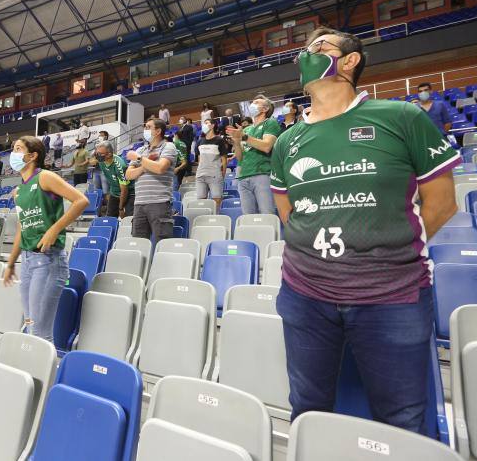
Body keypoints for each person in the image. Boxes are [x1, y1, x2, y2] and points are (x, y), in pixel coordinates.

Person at [269, 26, 460, 433]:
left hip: (392, 295)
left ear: (351, 60)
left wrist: (385, 247)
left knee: (403, 418)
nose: (307, 54)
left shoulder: (401, 117)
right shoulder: (288, 141)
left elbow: (442, 204)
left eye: (319, 47)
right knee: (308, 408)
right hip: (305, 296)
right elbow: (289, 212)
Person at [2, 136, 88, 342]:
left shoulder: (45, 177)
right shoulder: (19, 191)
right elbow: (22, 228)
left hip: (49, 262)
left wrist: (54, 230)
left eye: (18, 149)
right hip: (28, 261)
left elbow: (81, 200)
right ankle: (35, 370)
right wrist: (11, 263)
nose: (13, 154)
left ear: (32, 156)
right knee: (31, 323)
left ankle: (44, 372)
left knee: (40, 331)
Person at [227, 94, 281, 214]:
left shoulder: (270, 123)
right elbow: (240, 157)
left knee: (267, 214)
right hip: (243, 176)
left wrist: (244, 137)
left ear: (265, 109)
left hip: (262, 173)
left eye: (256, 102)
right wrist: (236, 142)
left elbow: (266, 146)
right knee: (248, 217)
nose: (252, 104)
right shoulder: (246, 129)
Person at [125, 118, 177, 243]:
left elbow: (160, 168)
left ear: (158, 131)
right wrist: (145, 164)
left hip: (159, 202)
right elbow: (128, 175)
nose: (145, 130)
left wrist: (138, 159)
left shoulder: (168, 146)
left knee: (162, 242)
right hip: (139, 204)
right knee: (139, 244)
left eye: (148, 127)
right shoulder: (141, 150)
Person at [96, 141, 135, 217]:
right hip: (114, 192)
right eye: (97, 153)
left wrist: (120, 208)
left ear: (109, 154)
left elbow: (124, 190)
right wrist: (109, 193)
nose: (98, 155)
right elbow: (110, 178)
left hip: (129, 193)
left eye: (100, 154)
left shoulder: (120, 166)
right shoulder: (101, 162)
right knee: (109, 218)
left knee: (129, 219)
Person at [195, 119, 228, 209]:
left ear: (213, 125)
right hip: (200, 175)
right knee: (201, 203)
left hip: (214, 175)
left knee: (217, 201)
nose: (204, 125)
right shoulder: (199, 141)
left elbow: (224, 159)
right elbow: (199, 159)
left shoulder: (219, 140)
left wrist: (223, 174)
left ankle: (216, 220)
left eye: (206, 123)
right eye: (203, 123)